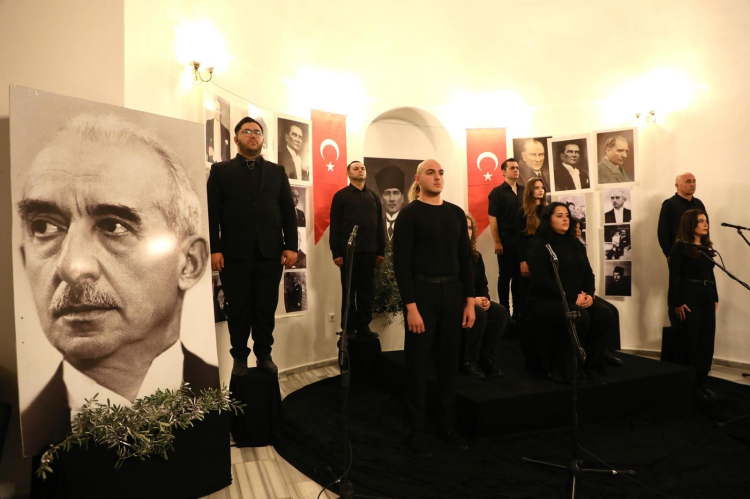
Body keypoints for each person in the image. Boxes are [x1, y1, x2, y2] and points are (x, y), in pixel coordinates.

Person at [17, 113, 220, 456]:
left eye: (113, 226)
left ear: (189, 263)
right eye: (44, 227)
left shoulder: (216, 397)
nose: (71, 267)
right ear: (25, 260)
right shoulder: (32, 431)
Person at [393, 159, 475, 457]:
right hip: (422, 294)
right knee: (416, 365)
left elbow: (466, 259)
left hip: (453, 293)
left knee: (448, 364)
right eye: (431, 172)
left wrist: (470, 301)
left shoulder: (455, 214)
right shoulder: (409, 214)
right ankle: (415, 430)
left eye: (441, 172)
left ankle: (446, 425)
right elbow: (401, 264)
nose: (437, 177)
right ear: (418, 179)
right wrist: (411, 307)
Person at [207, 117, 298, 376]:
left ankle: (264, 354)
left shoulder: (277, 172)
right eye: (247, 131)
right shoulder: (221, 171)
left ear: (262, 140)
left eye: (257, 132)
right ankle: (239, 357)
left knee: (265, 308)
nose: (253, 135)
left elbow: (288, 212)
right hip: (234, 254)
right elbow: (212, 213)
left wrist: (291, 246)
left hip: (270, 254)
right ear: (236, 138)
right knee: (237, 309)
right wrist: (215, 249)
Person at [525, 203, 614, 383]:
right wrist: (572, 298)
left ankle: (593, 366)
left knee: (604, 314)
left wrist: (590, 294)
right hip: (546, 299)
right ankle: (568, 371)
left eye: (567, 215)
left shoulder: (575, 243)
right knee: (580, 316)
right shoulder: (540, 245)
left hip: (578, 297)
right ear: (548, 220)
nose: (565, 219)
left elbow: (588, 273)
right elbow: (542, 281)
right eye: (559, 216)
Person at [329, 160, 386, 337]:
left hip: (370, 251)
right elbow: (335, 226)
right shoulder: (341, 196)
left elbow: (380, 225)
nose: (360, 170)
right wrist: (336, 252)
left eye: (362, 168)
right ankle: (348, 326)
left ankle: (363, 326)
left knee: (366, 291)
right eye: (356, 168)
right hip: (349, 252)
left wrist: (381, 250)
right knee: (349, 291)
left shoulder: (373, 197)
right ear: (348, 174)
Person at [669, 209, 718, 400]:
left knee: (707, 340)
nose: (706, 224)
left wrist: (715, 297)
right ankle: (690, 384)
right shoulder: (680, 247)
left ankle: (702, 381)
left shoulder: (706, 247)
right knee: (692, 339)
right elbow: (674, 276)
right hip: (689, 295)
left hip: (707, 295)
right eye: (700, 221)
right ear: (690, 224)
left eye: (706, 220)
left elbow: (710, 274)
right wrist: (678, 302)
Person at [462, 213, 510, 378]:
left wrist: (485, 299)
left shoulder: (476, 256)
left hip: (475, 299)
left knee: (500, 312)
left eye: (470, 228)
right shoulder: (450, 256)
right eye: (464, 228)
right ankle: (469, 361)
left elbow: (482, 284)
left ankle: (487, 358)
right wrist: (472, 301)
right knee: (479, 313)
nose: (467, 231)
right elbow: (452, 288)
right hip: (457, 301)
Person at [570, 218, 623, 365]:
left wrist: (590, 294)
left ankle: (608, 350)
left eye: (580, 228)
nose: (579, 231)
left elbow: (589, 274)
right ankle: (593, 352)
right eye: (575, 228)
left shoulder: (580, 247)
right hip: (573, 295)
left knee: (613, 310)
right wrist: (577, 296)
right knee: (602, 313)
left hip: (584, 293)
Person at [488, 159, 525, 320]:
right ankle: (504, 311)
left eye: (517, 167)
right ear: (503, 172)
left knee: (519, 278)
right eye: (512, 168)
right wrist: (497, 241)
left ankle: (517, 312)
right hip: (505, 241)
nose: (516, 170)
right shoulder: (497, 192)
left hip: (522, 242)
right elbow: (492, 218)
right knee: (505, 277)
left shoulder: (524, 190)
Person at [657, 173, 705, 259]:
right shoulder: (670, 204)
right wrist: (668, 254)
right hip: (679, 252)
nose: (692, 184)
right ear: (677, 186)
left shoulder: (699, 203)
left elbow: (705, 228)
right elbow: (663, 231)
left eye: (694, 181)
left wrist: (707, 247)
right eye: (688, 181)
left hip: (700, 250)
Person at [375, 165, 406, 242]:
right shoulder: (376, 226)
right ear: (381, 199)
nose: (392, 199)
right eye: (387, 193)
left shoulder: (409, 224)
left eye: (396, 193)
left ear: (402, 198)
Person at [206, 96, 231, 163]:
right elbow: (204, 141)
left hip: (223, 165)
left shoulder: (226, 132)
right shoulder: (208, 124)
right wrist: (208, 148)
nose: (219, 113)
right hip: (211, 164)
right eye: (217, 109)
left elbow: (228, 156)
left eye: (220, 110)